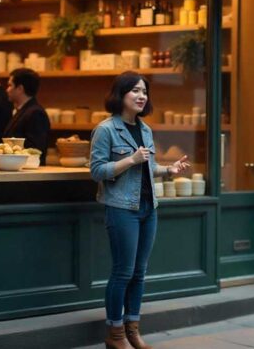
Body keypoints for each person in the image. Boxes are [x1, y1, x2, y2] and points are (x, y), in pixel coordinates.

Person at [90, 71, 190, 349]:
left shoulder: (145, 129)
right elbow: (97, 171)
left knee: (139, 272)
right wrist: (130, 160)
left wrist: (169, 169)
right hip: (122, 208)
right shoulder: (106, 129)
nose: (141, 96)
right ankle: (115, 333)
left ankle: (132, 329)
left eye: (144, 91)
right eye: (135, 90)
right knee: (123, 271)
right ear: (120, 94)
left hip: (148, 208)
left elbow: (148, 167)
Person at [3, 68, 50, 164]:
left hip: (29, 172)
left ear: (20, 88)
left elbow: (35, 150)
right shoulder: (24, 110)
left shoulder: (35, 113)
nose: (7, 90)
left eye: (10, 85)